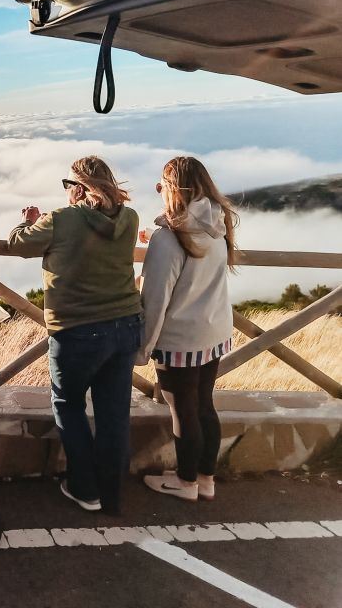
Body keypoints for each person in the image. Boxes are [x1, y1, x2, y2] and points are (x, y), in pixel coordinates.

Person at [8, 155, 143, 514]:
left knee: (68, 405)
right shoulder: (129, 218)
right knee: (114, 414)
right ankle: (112, 494)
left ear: (80, 189)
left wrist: (25, 223)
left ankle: (85, 489)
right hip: (126, 324)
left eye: (68, 185)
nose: (66, 191)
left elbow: (19, 245)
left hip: (77, 330)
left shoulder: (61, 220)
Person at [138, 156, 237, 502]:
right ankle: (205, 478)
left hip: (180, 338)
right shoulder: (217, 226)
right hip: (214, 333)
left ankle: (185, 482)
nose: (159, 190)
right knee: (204, 405)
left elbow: (155, 300)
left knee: (183, 411)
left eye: (162, 184)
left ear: (174, 189)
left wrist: (141, 349)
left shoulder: (169, 240)